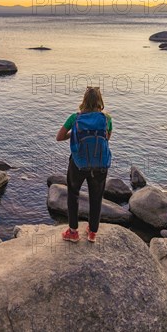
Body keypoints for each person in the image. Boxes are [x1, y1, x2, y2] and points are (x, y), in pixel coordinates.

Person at [56, 87, 112, 243]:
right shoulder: (107, 119)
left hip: (79, 163)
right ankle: (92, 232)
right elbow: (106, 139)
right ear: (100, 101)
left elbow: (59, 137)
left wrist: (73, 134)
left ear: (84, 100)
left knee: (73, 195)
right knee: (96, 198)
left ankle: (73, 232)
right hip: (100, 164)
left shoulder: (75, 118)